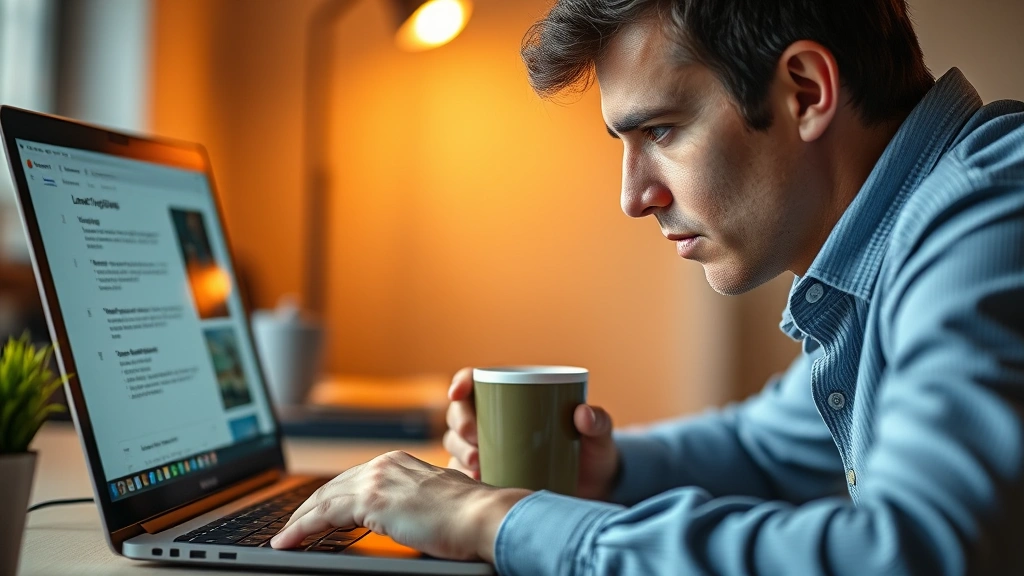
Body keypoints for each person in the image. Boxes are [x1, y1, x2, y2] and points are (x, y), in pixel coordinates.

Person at [271, 0, 1024, 573]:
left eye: (660, 131)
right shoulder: (901, 238)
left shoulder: (991, 213)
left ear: (804, 89)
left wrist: (498, 521)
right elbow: (770, 450)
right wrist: (608, 469)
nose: (634, 197)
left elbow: (915, 551)